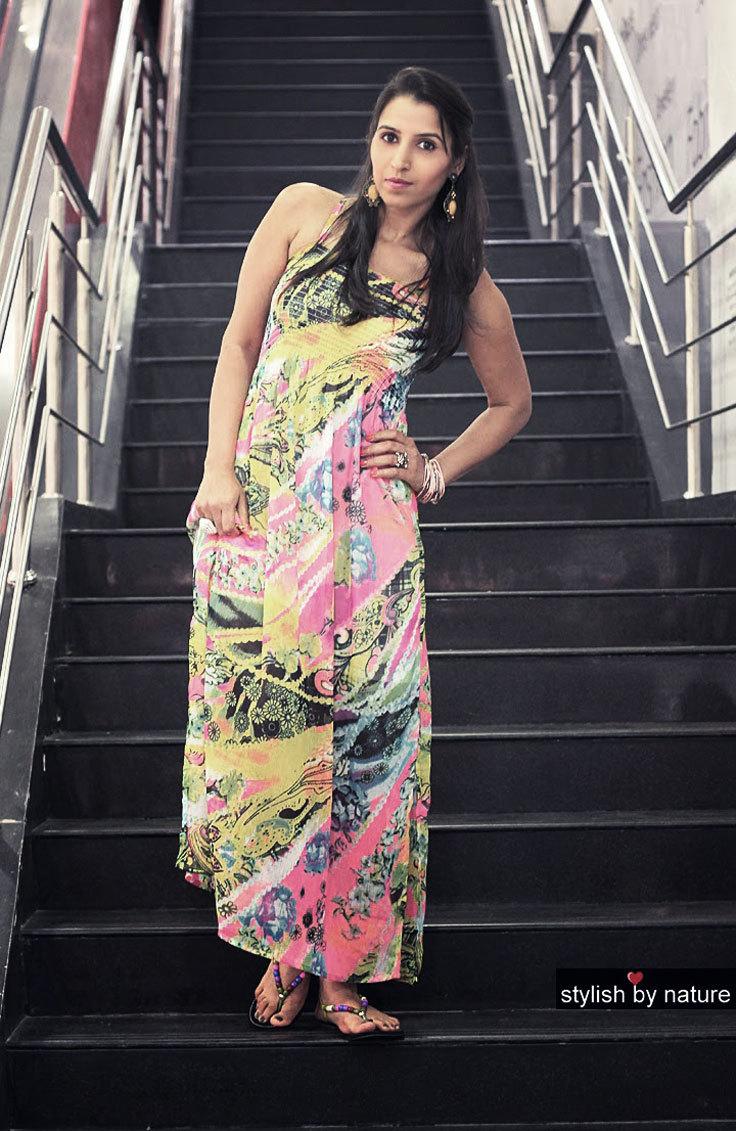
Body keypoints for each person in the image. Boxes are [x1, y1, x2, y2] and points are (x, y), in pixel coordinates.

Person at [174, 66, 532, 1040]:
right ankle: (287, 945)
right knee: (272, 740)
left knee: (367, 750)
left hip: (372, 540)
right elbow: (239, 345)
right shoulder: (303, 213)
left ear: (455, 162)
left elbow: (512, 403)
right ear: (370, 139)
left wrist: (432, 468)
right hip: (261, 524)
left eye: (425, 143)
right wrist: (218, 470)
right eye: (389, 136)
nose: (401, 159)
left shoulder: (460, 282)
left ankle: (339, 972)